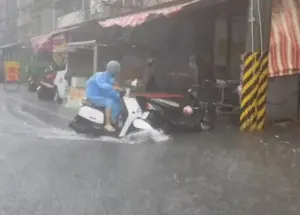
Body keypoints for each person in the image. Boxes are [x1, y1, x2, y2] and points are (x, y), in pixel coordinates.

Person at [86, 61, 121, 132]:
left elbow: (111, 89)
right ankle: (107, 124)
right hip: (93, 96)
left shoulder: (110, 78)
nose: (116, 73)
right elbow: (102, 85)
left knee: (117, 103)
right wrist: (113, 87)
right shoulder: (100, 75)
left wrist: (118, 95)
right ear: (112, 70)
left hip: (101, 96)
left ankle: (114, 122)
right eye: (115, 71)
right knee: (109, 101)